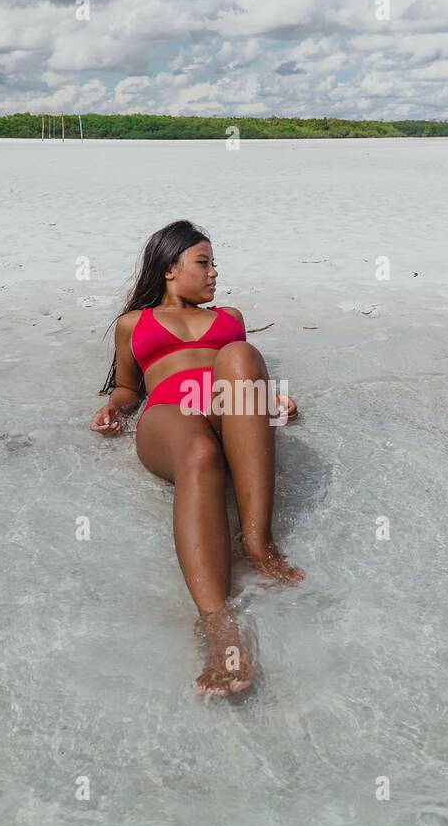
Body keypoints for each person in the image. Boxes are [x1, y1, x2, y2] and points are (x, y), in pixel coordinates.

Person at [90, 220, 304, 696]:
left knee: (240, 354)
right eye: (203, 264)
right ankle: (217, 626)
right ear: (170, 269)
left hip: (229, 411)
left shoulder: (229, 317)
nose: (213, 276)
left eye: (214, 265)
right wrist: (113, 408)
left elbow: (244, 379)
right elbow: (129, 387)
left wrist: (272, 399)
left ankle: (257, 542)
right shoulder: (135, 324)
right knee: (199, 453)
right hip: (170, 417)